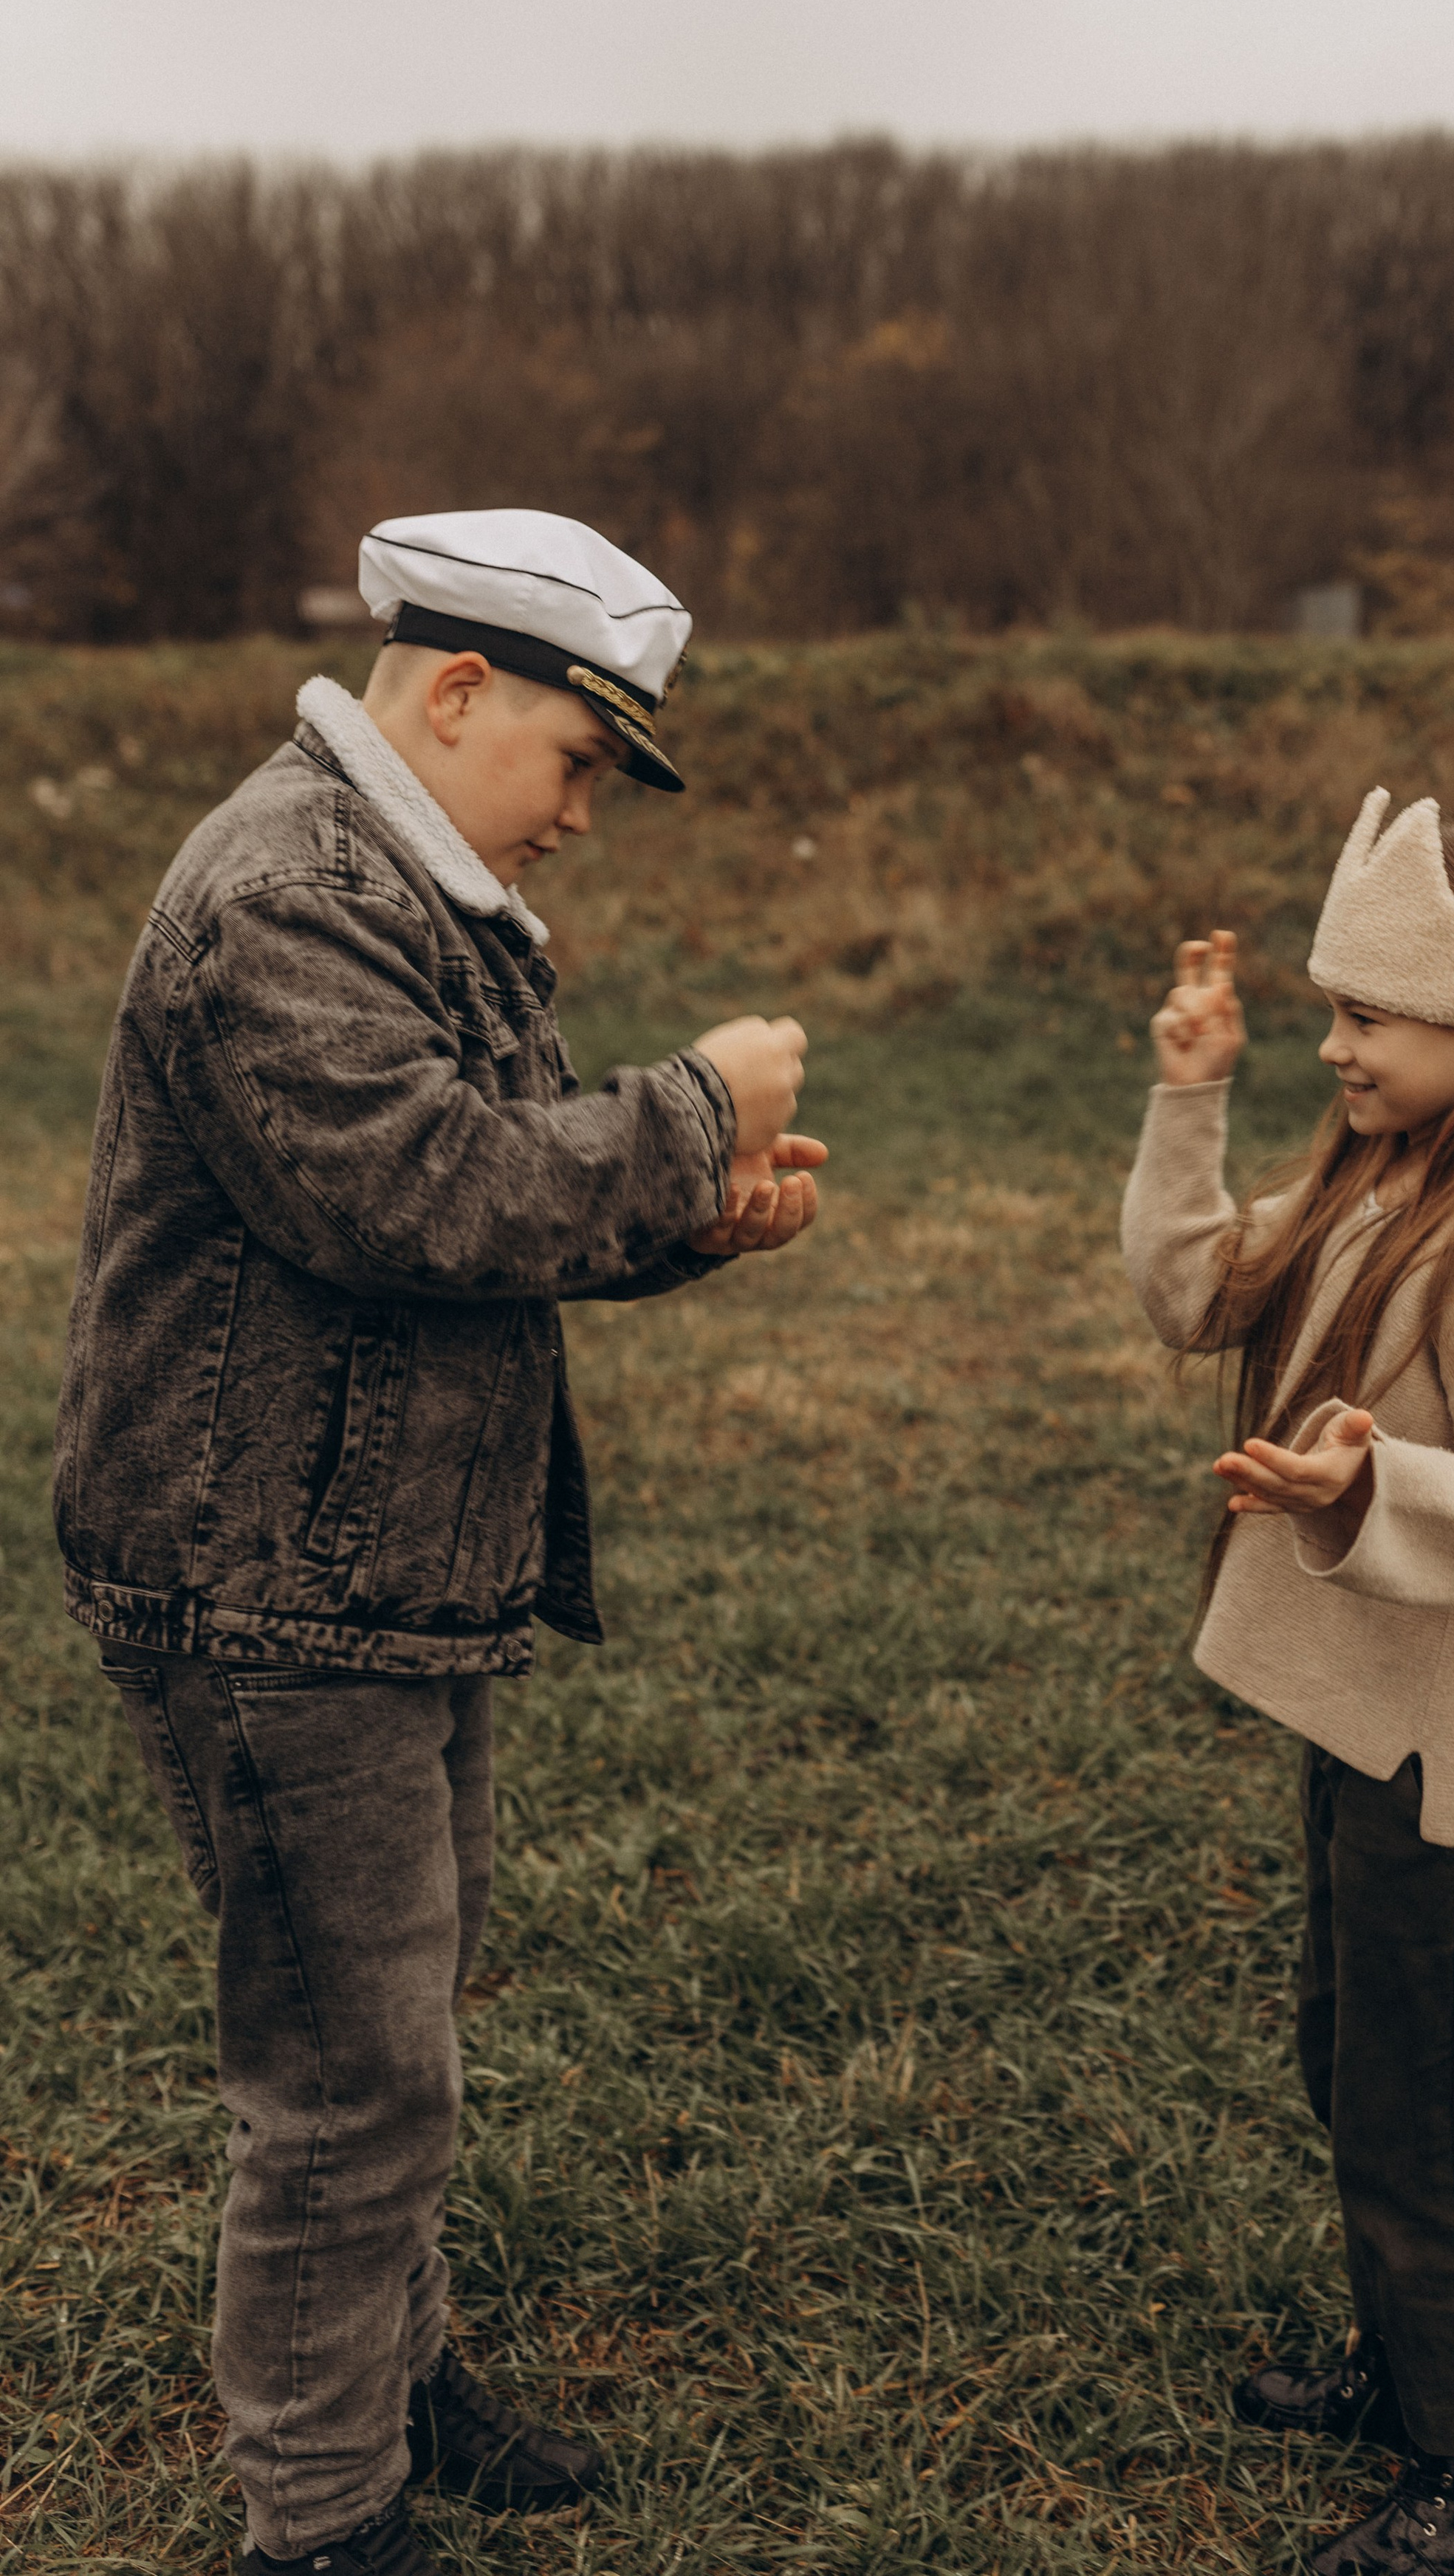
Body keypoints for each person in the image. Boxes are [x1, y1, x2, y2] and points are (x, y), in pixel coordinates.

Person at [55, 509, 826, 2576]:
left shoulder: (413, 883)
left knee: (396, 2028)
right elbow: (416, 1192)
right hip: (267, 1581)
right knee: (339, 2074)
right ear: (460, 689)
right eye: (580, 759)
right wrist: (690, 1113)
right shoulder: (280, 893)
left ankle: (394, 2384)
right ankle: (322, 2518)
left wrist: (690, 1217)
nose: (585, 812)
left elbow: (494, 1223)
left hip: (383, 1569)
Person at [1120, 791, 1454, 2576]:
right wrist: (1189, 1095)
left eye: (1363, 1015)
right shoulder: (1373, 1187)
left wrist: (1369, 1488)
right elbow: (1193, 1294)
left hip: (1449, 1766)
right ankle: (1396, 2365)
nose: (1328, 1044)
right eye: (1327, 1011)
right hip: (1370, 1734)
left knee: (1414, 2109)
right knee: (1347, 2058)